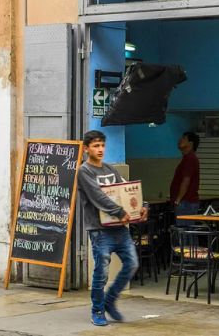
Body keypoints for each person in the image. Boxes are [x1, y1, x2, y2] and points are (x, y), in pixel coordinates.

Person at [77, 130, 148, 326]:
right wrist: (119, 211)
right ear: (86, 149)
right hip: (100, 231)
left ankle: (110, 300)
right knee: (101, 272)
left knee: (132, 263)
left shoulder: (110, 169)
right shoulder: (85, 171)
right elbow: (97, 196)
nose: (100, 149)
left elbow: (127, 189)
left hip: (120, 229)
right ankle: (97, 310)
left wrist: (142, 206)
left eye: (102, 145)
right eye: (95, 146)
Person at [169, 132, 200, 226]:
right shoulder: (187, 158)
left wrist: (178, 200)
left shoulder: (190, 159)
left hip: (186, 203)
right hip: (186, 202)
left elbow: (186, 181)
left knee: (185, 233)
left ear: (190, 144)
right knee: (187, 232)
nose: (180, 140)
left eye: (183, 139)